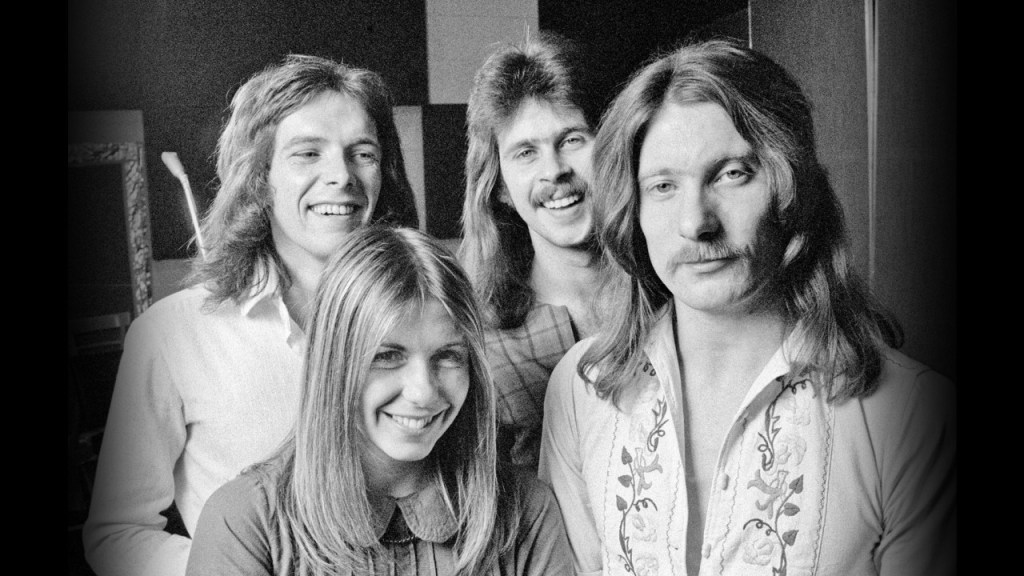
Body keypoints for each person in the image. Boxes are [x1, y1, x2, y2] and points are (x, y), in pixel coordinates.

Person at [539, 39, 956, 575]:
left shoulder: (913, 416)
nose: (697, 222)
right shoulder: (581, 390)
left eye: (732, 174)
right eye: (663, 186)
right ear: (633, 212)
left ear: (790, 186)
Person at [83, 54, 417, 576]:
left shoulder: (424, 324)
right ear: (260, 179)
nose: (341, 176)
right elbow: (118, 533)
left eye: (363, 153)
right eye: (308, 153)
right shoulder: (172, 335)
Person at [185, 225, 573, 575]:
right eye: (387, 356)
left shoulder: (527, 513)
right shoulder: (243, 523)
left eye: (448, 356)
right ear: (332, 361)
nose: (423, 392)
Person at [459, 31, 605, 471]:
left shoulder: (675, 298)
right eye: (526, 153)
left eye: (573, 140)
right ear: (500, 186)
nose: (555, 171)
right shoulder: (480, 345)